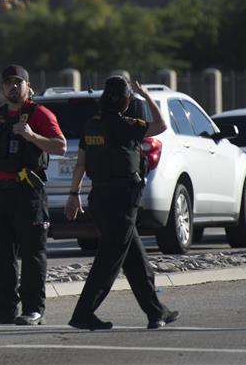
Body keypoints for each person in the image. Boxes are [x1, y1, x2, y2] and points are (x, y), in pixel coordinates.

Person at [65, 76, 179, 330]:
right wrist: (147, 95)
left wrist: (73, 195)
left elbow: (81, 163)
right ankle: (83, 313)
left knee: (136, 259)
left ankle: (155, 311)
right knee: (109, 260)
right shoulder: (124, 124)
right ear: (125, 100)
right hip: (120, 201)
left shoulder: (92, 124)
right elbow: (160, 125)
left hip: (100, 199)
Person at [0, 65, 66, 326]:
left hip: (27, 193)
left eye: (18, 82)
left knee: (32, 253)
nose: (13, 87)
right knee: (1, 255)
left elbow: (59, 145)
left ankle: (34, 309)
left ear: (28, 86)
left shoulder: (39, 114)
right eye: (8, 83)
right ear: (2, 87)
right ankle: (5, 309)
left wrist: (33, 136)